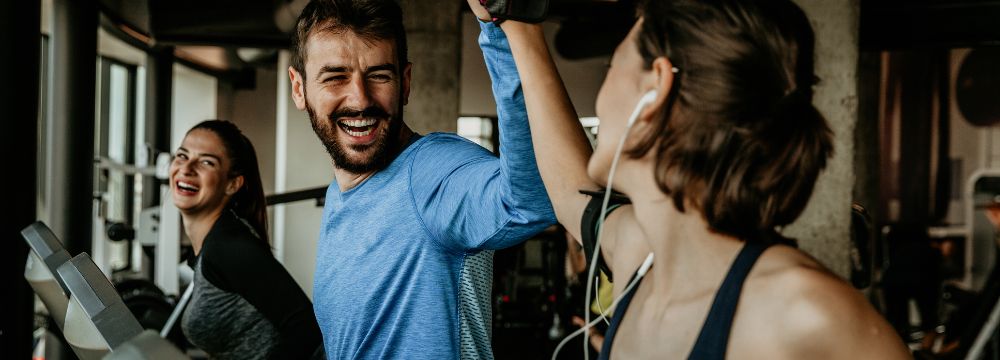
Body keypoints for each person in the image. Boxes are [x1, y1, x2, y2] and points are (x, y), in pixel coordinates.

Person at [467, 0, 912, 358]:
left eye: (612, 69)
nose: (601, 100)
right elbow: (568, 191)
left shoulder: (805, 313)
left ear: (655, 87)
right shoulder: (641, 259)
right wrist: (516, 26)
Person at [285, 0, 555, 358]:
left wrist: (500, 29)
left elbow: (532, 202)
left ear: (405, 82)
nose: (361, 99)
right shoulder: (342, 191)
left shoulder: (432, 170)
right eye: (336, 77)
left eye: (379, 75)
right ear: (299, 88)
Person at [172, 120, 323, 359]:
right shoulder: (213, 244)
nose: (186, 168)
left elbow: (307, 330)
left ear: (233, 184)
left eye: (206, 162)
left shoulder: (227, 247)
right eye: (182, 155)